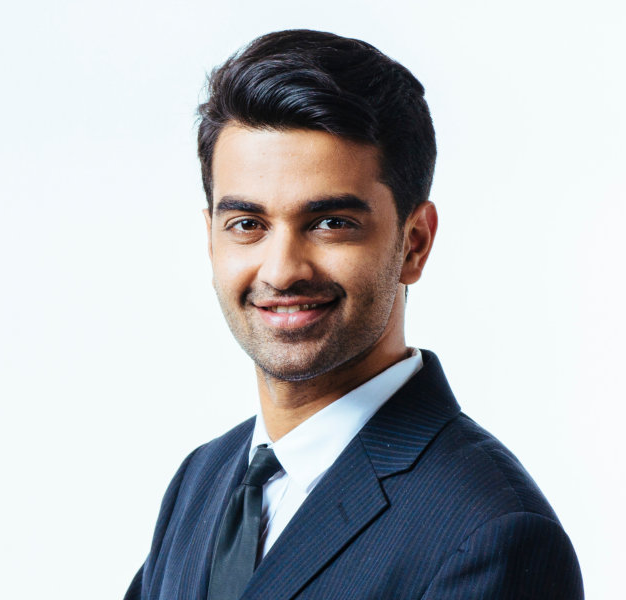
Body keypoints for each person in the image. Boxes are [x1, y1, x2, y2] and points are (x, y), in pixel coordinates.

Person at [124, 30, 583, 600]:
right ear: (211, 238)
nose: (281, 269)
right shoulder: (203, 480)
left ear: (414, 243)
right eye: (247, 224)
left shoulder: (489, 532)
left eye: (330, 223)